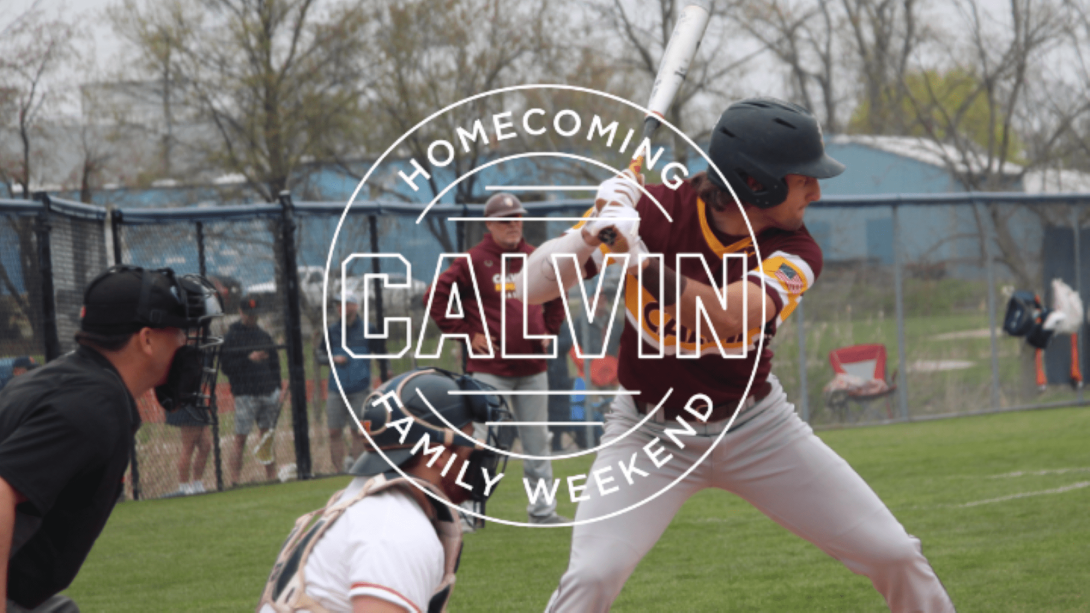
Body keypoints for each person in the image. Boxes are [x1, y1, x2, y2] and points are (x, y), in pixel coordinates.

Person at [518, 99, 955, 611]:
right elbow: (531, 288)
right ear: (757, 182)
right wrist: (590, 232)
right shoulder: (655, 211)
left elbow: (726, 316)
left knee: (894, 554)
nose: (816, 190)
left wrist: (638, 258)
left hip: (756, 429)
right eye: (803, 178)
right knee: (591, 577)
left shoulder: (796, 248)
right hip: (650, 434)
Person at [0, 265, 221, 613]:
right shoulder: (94, 405)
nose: (186, 343)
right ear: (147, 339)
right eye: (180, 332)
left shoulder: (69, 380)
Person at [257, 368, 514, 613]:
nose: (479, 451)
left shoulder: (368, 503)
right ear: (438, 454)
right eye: (469, 440)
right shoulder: (395, 527)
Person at [426, 192, 568, 526]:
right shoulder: (474, 260)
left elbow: (557, 294)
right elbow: (435, 297)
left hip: (532, 368)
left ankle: (542, 512)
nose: (513, 224)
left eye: (517, 217)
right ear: (489, 224)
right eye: (505, 220)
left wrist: (550, 328)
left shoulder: (536, 257)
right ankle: (470, 513)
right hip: (490, 370)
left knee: (537, 443)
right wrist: (466, 333)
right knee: (481, 444)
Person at [221, 295, 282, 485]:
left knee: (267, 437)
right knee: (240, 437)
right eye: (248, 315)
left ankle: (271, 476)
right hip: (246, 394)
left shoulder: (263, 335)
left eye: (255, 315)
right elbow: (226, 367)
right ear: (240, 312)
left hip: (267, 392)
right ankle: (235, 480)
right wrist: (248, 359)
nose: (252, 318)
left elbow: (275, 363)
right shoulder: (232, 336)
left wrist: (277, 388)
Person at [316, 292, 380, 473]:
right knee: (334, 431)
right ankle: (338, 472)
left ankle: (358, 470)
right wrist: (332, 358)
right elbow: (320, 355)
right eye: (338, 305)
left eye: (344, 304)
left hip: (360, 390)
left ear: (354, 306)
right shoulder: (332, 331)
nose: (339, 308)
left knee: (357, 432)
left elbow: (381, 353)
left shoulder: (368, 329)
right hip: (336, 389)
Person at [165, 405, 212, 496]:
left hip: (197, 403)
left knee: (206, 446)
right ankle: (184, 487)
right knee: (189, 446)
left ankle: (197, 484)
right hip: (186, 404)